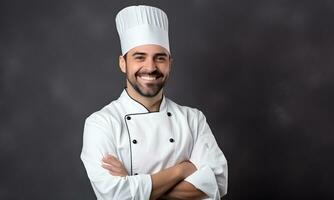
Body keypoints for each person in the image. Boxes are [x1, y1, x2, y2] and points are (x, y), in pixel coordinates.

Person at [80, 5, 228, 200]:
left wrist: (132, 181)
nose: (150, 67)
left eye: (160, 58)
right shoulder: (101, 123)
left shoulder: (193, 119)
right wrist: (182, 170)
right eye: (139, 57)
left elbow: (218, 182)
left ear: (170, 63)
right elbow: (115, 195)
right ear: (123, 63)